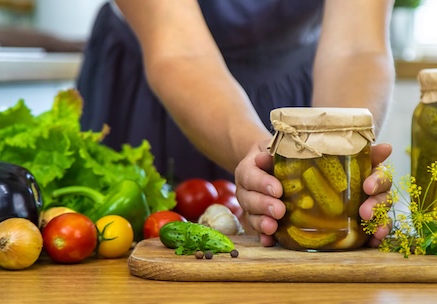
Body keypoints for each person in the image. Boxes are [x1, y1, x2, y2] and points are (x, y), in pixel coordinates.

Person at [77, 0, 395, 247]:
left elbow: (356, 48)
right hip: (161, 89)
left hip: (296, 86)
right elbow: (180, 52)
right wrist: (264, 157)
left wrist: (341, 154)